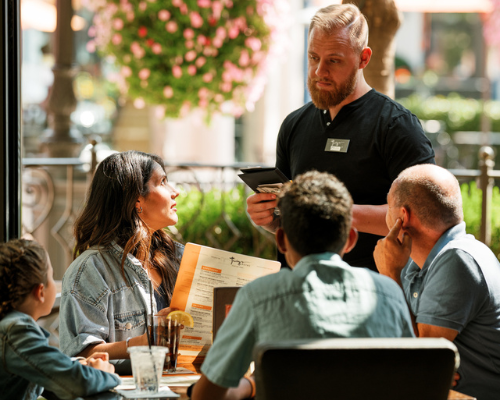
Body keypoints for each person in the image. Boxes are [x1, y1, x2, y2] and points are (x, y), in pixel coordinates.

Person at [190, 171, 414, 400]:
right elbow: (414, 378)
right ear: (351, 240)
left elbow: (206, 396)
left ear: (281, 240)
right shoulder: (389, 293)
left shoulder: (257, 296)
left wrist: (250, 386)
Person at [247, 3, 435, 271]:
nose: (319, 71)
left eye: (334, 60)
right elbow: (290, 223)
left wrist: (333, 212)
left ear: (364, 58)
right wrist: (269, 217)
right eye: (313, 57)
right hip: (299, 290)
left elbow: (423, 217)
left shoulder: (397, 126)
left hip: (372, 293)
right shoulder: (294, 124)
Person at [374, 164, 500, 400]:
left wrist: (390, 275)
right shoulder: (415, 261)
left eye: (387, 207)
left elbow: (421, 364)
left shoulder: (459, 259)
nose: (385, 216)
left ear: (403, 216)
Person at [59, 150, 184, 360]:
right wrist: (145, 342)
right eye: (162, 182)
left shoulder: (180, 258)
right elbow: (80, 354)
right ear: (136, 199)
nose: (175, 192)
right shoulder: (90, 270)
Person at [0, 239, 120, 400]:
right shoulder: (17, 330)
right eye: (51, 277)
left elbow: (45, 372)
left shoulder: (12, 326)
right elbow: (77, 383)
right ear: (40, 292)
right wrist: (102, 374)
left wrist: (78, 366)